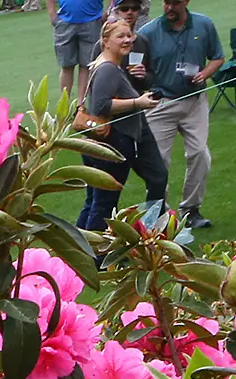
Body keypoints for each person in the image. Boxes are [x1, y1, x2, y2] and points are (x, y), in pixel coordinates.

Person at [136, 0, 221, 225]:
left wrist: (205, 73)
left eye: (174, 3)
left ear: (185, 2)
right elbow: (136, 69)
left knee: (200, 154)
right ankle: (160, 215)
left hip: (194, 101)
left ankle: (191, 210)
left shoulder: (204, 25)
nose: (169, 8)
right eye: (165, 2)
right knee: (158, 163)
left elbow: (218, 57)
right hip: (160, 103)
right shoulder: (148, 32)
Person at [77, 17, 164, 226]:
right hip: (113, 143)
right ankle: (95, 257)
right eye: (120, 36)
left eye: (129, 36)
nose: (127, 40)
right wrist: (138, 102)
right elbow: (101, 106)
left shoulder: (107, 66)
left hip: (105, 142)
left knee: (96, 201)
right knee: (104, 203)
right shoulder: (108, 69)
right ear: (105, 41)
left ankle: (78, 252)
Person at [51, 0, 105, 101]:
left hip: (93, 20)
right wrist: (52, 14)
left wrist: (107, 12)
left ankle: (80, 105)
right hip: (65, 21)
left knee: (86, 65)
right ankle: (64, 106)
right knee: (66, 66)